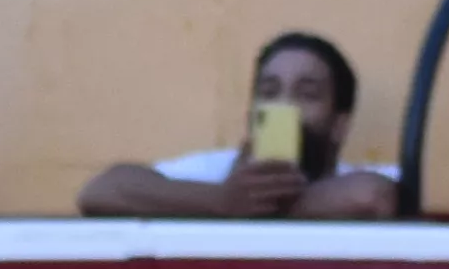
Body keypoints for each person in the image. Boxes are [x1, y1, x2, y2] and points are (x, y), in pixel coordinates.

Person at [77, 27, 400, 215]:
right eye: (269, 92)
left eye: (306, 94)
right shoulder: (215, 173)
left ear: (340, 125)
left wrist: (253, 208)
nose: (283, 107)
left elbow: (371, 196)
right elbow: (103, 190)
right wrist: (221, 200)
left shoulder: (358, 177)